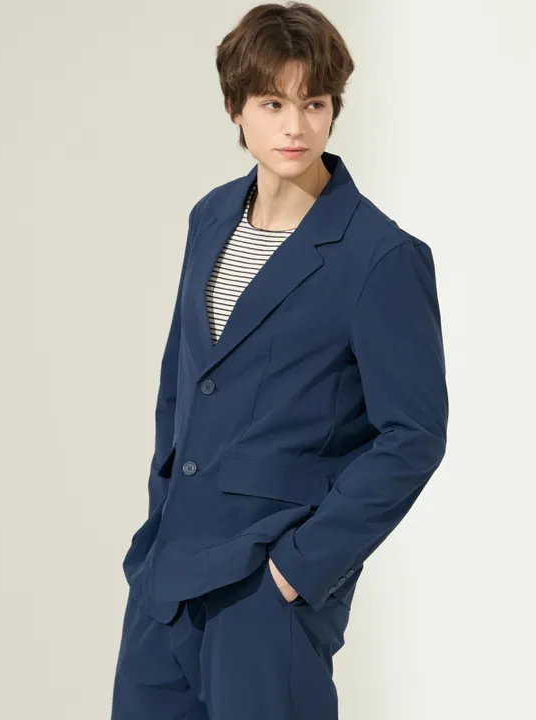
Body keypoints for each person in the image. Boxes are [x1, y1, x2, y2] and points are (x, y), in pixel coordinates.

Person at [110, 3, 448, 719]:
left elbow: (413, 435)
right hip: (167, 579)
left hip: (266, 592)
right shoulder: (210, 216)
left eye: (314, 103)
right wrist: (160, 516)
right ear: (236, 108)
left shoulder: (381, 256)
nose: (296, 126)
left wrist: (299, 569)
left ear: (333, 109)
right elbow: (182, 381)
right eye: (273, 103)